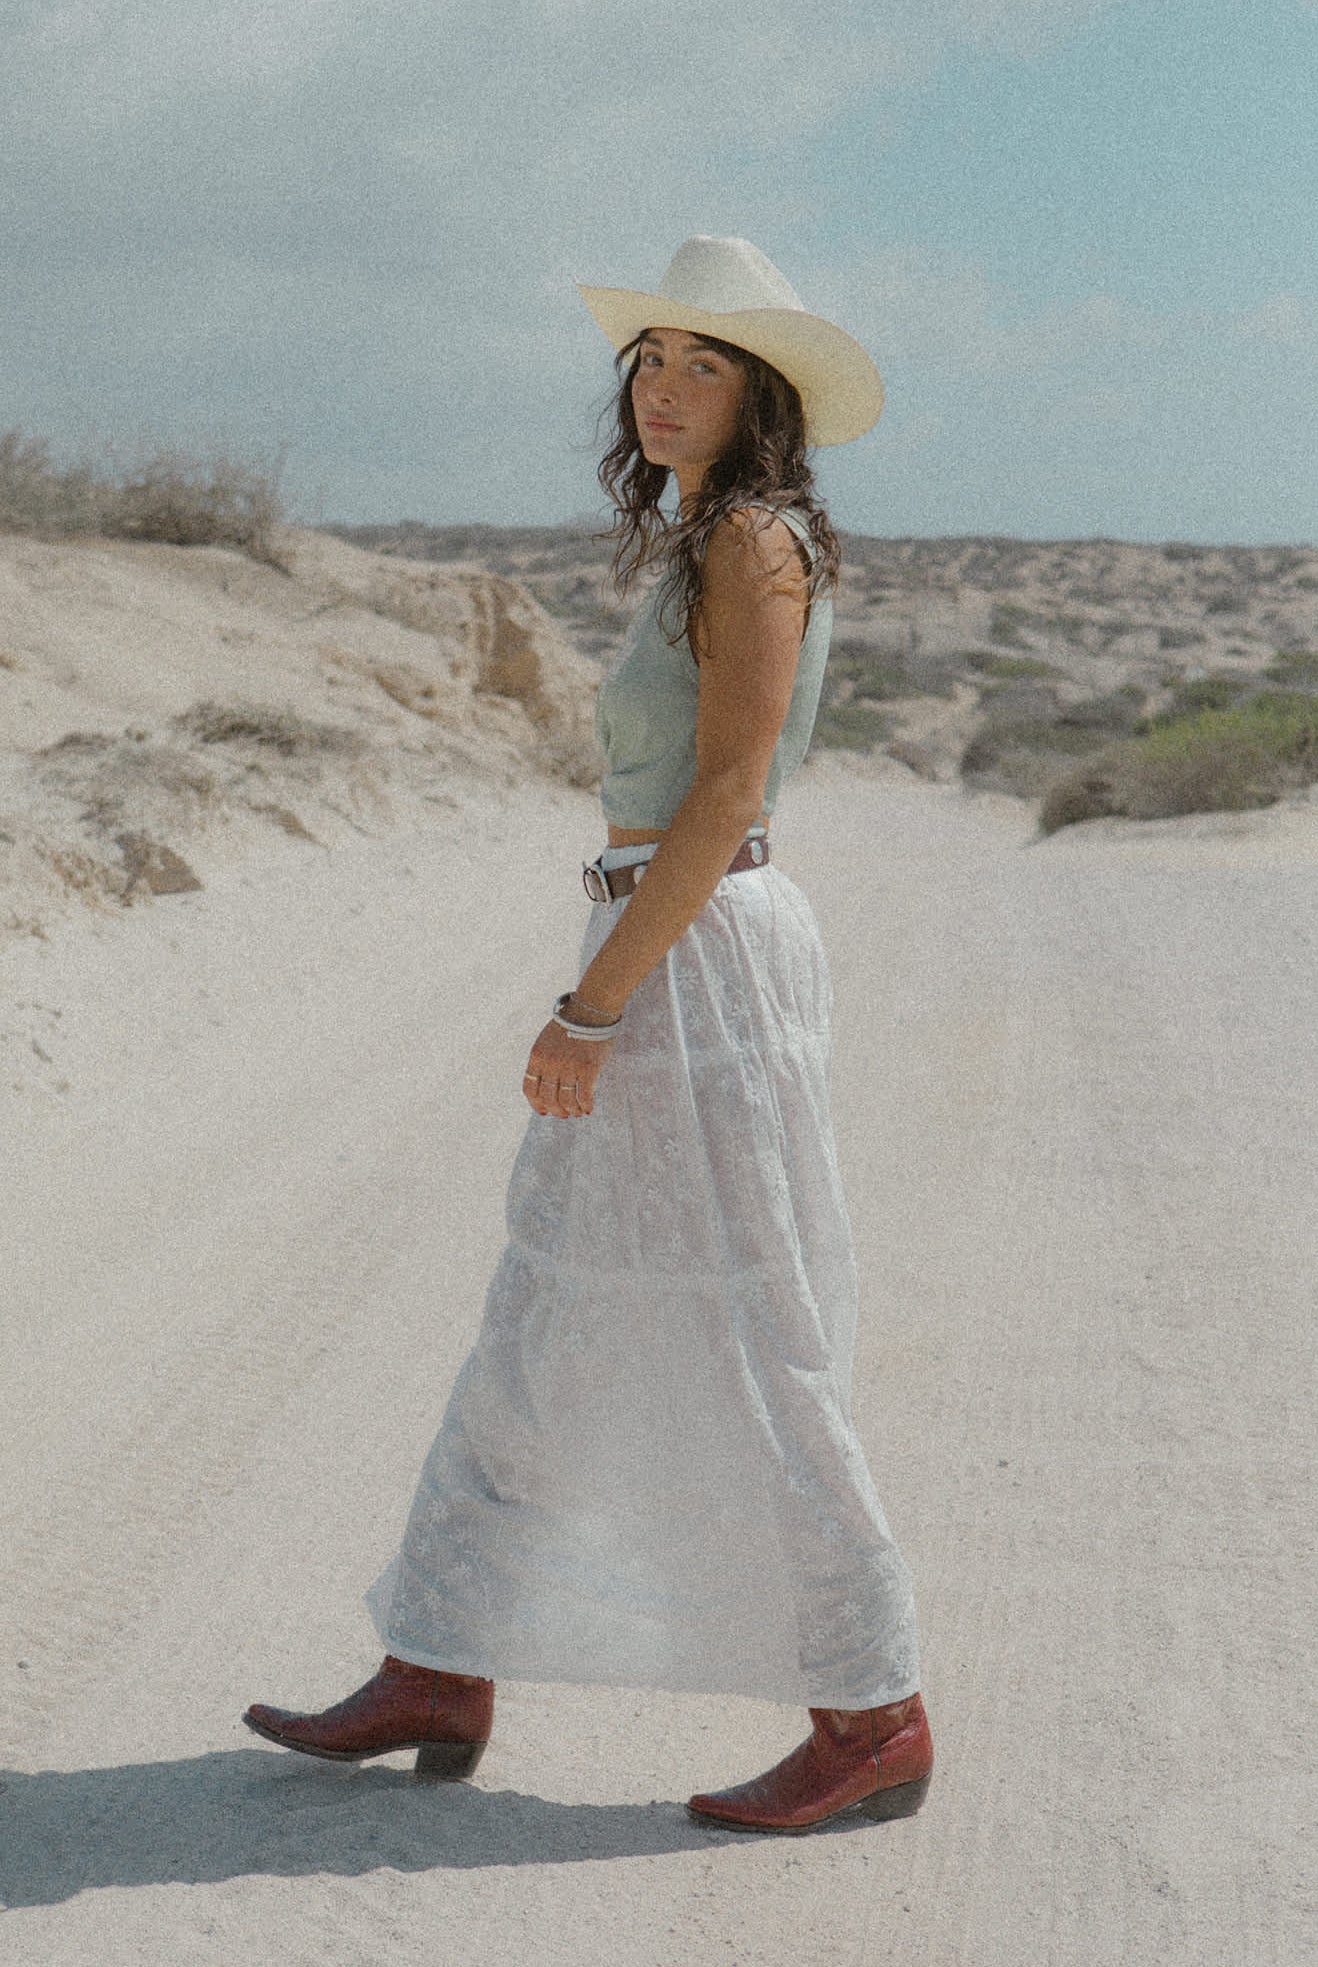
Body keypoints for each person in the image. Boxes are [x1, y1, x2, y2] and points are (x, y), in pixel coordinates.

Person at [243, 236, 932, 1833]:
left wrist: (590, 1006)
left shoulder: (750, 541)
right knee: (541, 1311)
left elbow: (728, 794)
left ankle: (872, 1708)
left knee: (755, 1328)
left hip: (693, 954)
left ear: (763, 396)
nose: (666, 387)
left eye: (705, 364)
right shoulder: (709, 535)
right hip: (658, 934)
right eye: (650, 359)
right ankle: (441, 1654)